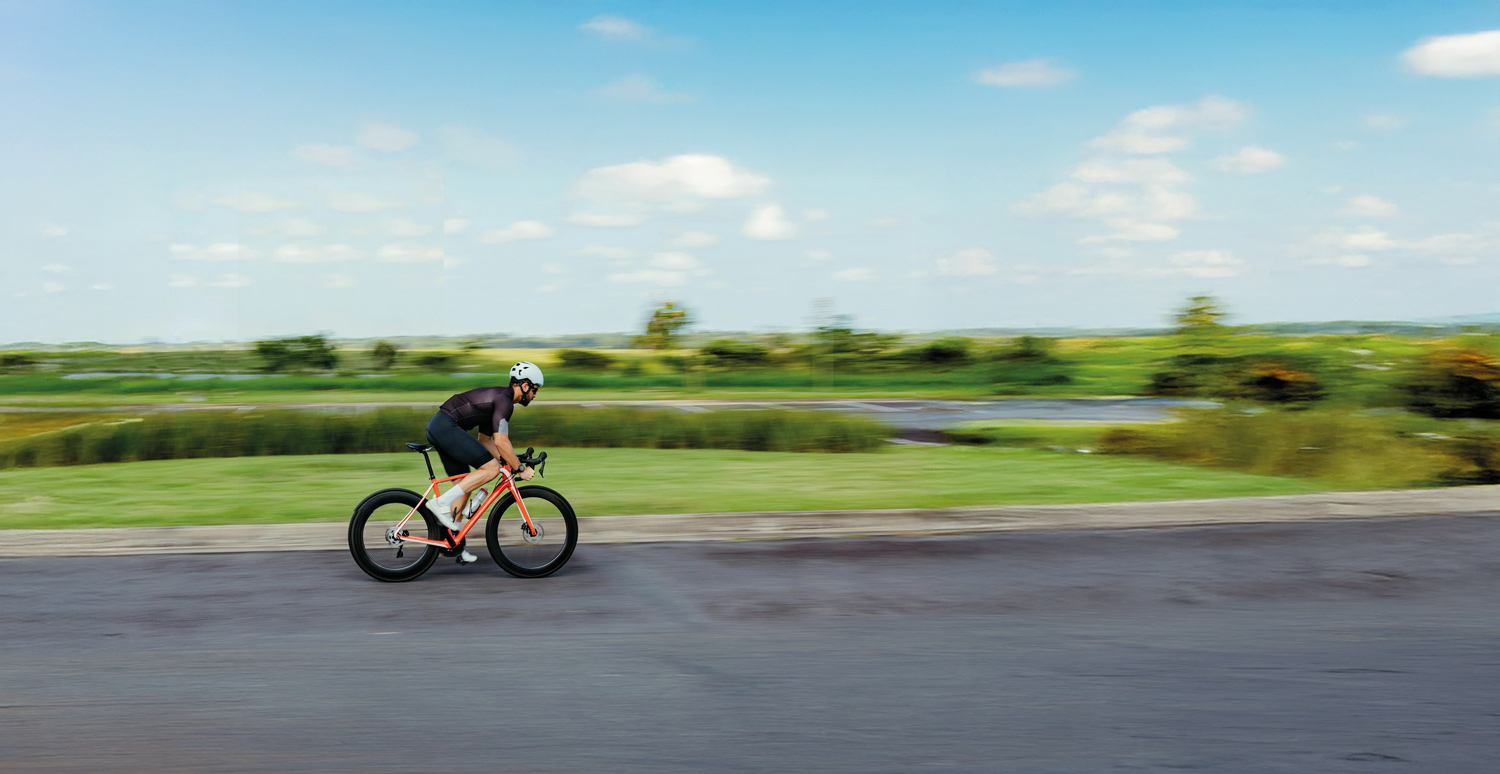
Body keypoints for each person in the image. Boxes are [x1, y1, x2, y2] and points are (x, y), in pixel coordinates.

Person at [422, 361, 543, 564]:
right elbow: (501, 441)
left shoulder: (499, 400)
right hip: (445, 425)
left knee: (464, 486)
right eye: (535, 389)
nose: (535, 394)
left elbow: (485, 441)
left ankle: (454, 545)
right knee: (491, 469)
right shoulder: (504, 402)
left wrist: (510, 459)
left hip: (442, 425)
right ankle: (439, 503)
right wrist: (519, 468)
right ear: (524, 385)